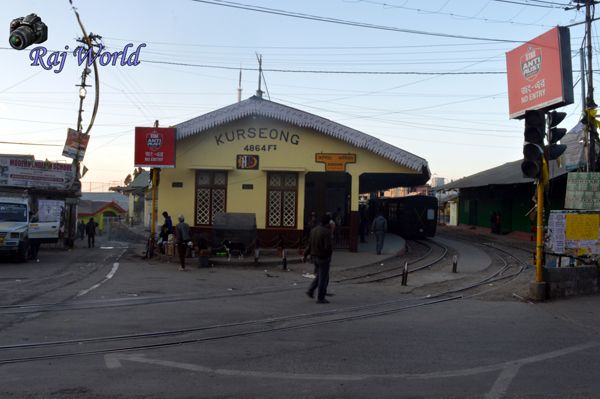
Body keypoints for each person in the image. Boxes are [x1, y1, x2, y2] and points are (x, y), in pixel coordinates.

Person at [303, 214, 333, 304]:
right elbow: (327, 246)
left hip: (314, 256)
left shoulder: (314, 230)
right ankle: (320, 298)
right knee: (323, 278)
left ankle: (311, 290)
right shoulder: (326, 232)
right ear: (327, 223)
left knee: (319, 276)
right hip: (323, 257)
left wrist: (305, 255)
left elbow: (309, 245)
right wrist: (328, 256)